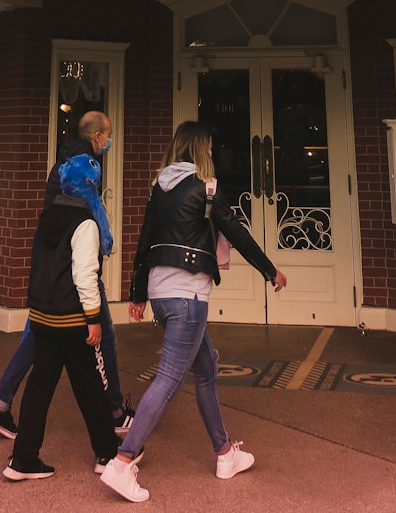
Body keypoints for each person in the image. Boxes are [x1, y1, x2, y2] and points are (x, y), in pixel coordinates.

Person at [100, 121, 287, 505]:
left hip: (161, 293)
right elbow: (237, 233)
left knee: (206, 367)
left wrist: (137, 294)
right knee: (169, 378)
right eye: (211, 147)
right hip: (189, 296)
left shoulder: (158, 188)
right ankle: (121, 462)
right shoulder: (207, 188)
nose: (214, 153)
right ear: (201, 149)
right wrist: (271, 271)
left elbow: (144, 238)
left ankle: (224, 454)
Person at [0, 110, 134, 439]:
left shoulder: (62, 164)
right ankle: (114, 411)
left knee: (37, 338)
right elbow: (83, 222)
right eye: (108, 134)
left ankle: (0, 403)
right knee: (101, 335)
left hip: (51, 269)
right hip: (73, 272)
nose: (109, 141)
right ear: (97, 136)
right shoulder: (84, 168)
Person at [3, 154, 121, 481]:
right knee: (90, 385)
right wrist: (94, 318)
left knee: (40, 385)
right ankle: (107, 453)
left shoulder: (48, 217)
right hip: (71, 319)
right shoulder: (85, 223)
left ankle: (23, 458)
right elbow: (85, 275)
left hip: (42, 316)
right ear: (89, 186)